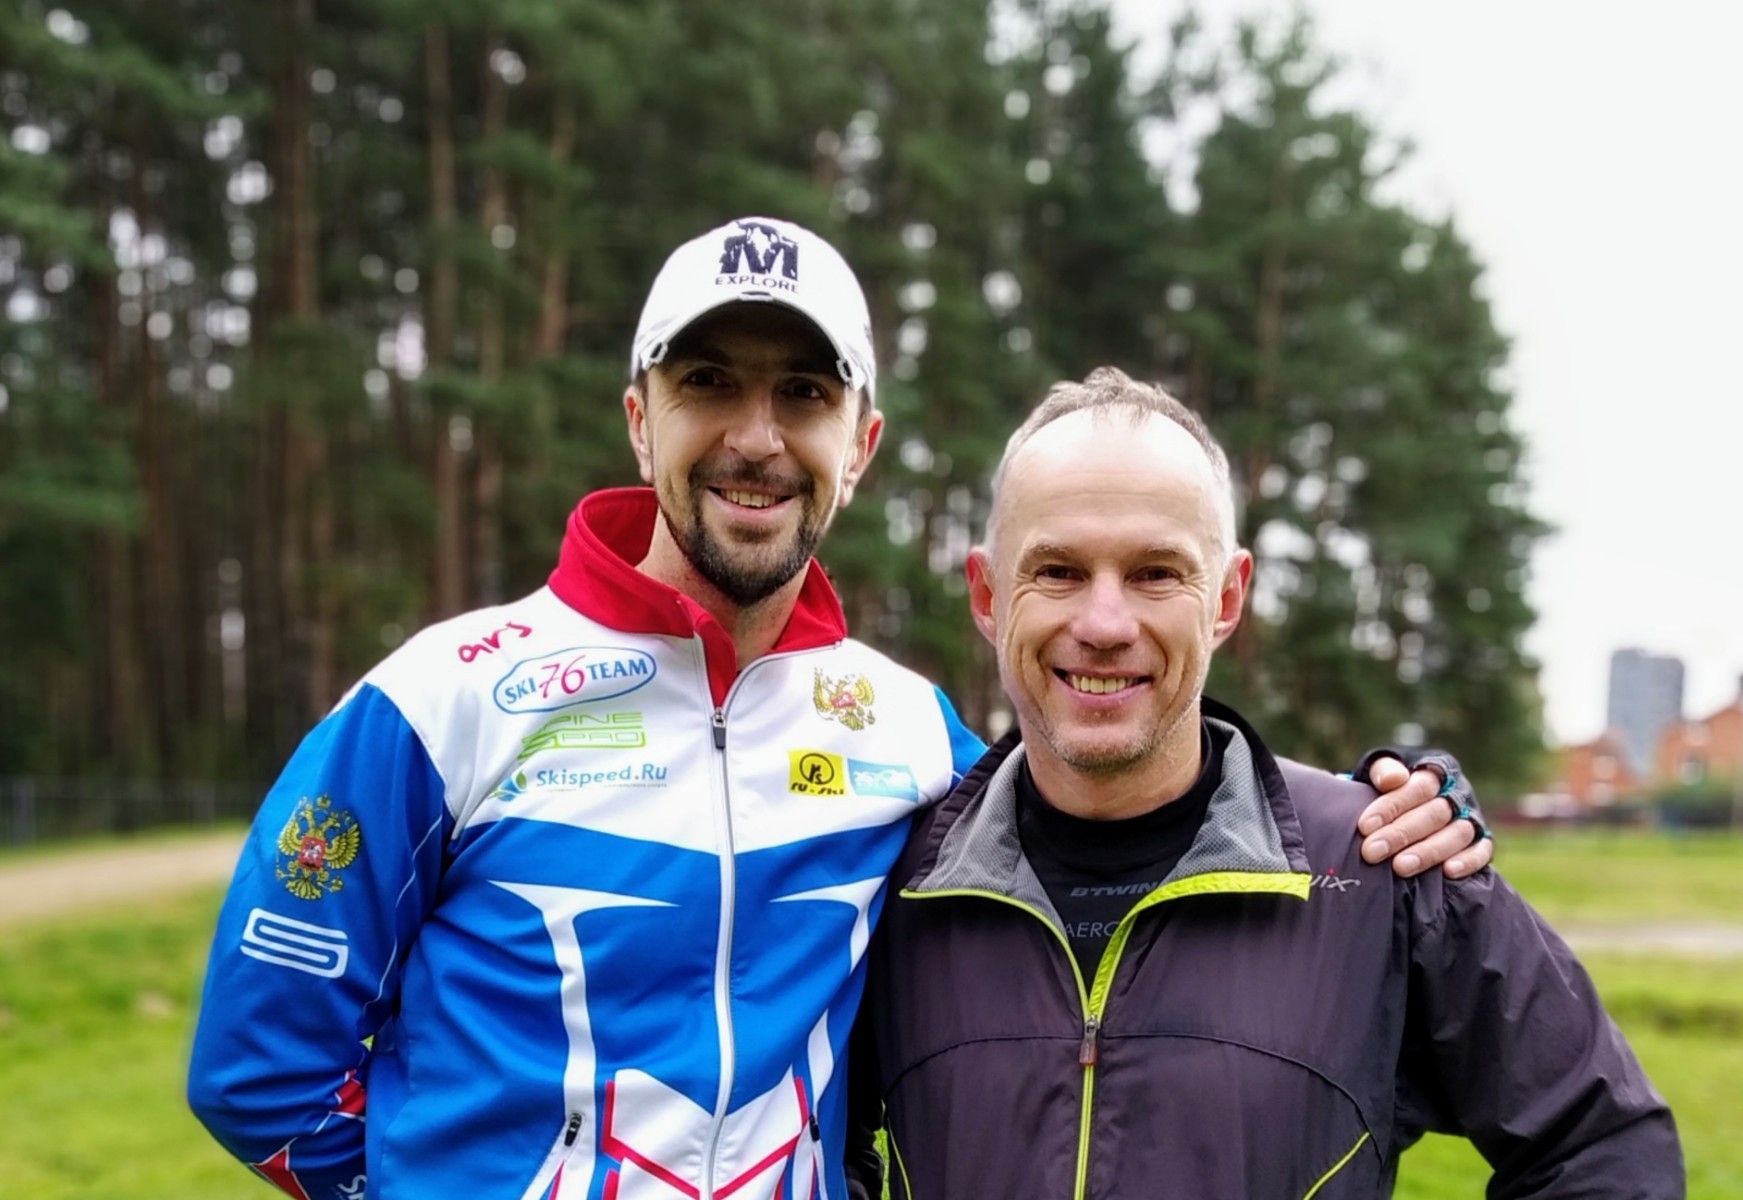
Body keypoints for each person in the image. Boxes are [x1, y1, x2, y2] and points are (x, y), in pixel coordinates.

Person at [187, 218, 1485, 1200]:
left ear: (859, 445)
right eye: (709, 383)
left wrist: (1389, 805)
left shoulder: (911, 736)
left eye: (804, 394)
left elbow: (1118, 807)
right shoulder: (440, 701)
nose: (758, 435)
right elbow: (260, 1076)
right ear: (640, 421)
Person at [849, 369, 1681, 1199]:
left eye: (1155, 573)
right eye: (1059, 571)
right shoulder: (887, 885)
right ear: (989, 597)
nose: (1104, 625)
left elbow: (1604, 1146)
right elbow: (792, 1140)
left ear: (1227, 597)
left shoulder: (1384, 869)